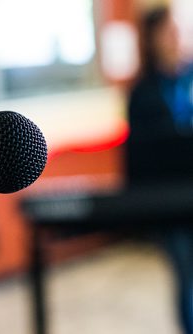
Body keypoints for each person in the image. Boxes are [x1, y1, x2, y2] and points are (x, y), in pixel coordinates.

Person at [127, 6, 193, 333]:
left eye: (180, 30)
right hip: (171, 201)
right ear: (153, 39)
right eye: (170, 31)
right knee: (188, 278)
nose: (178, 37)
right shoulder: (142, 93)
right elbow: (138, 158)